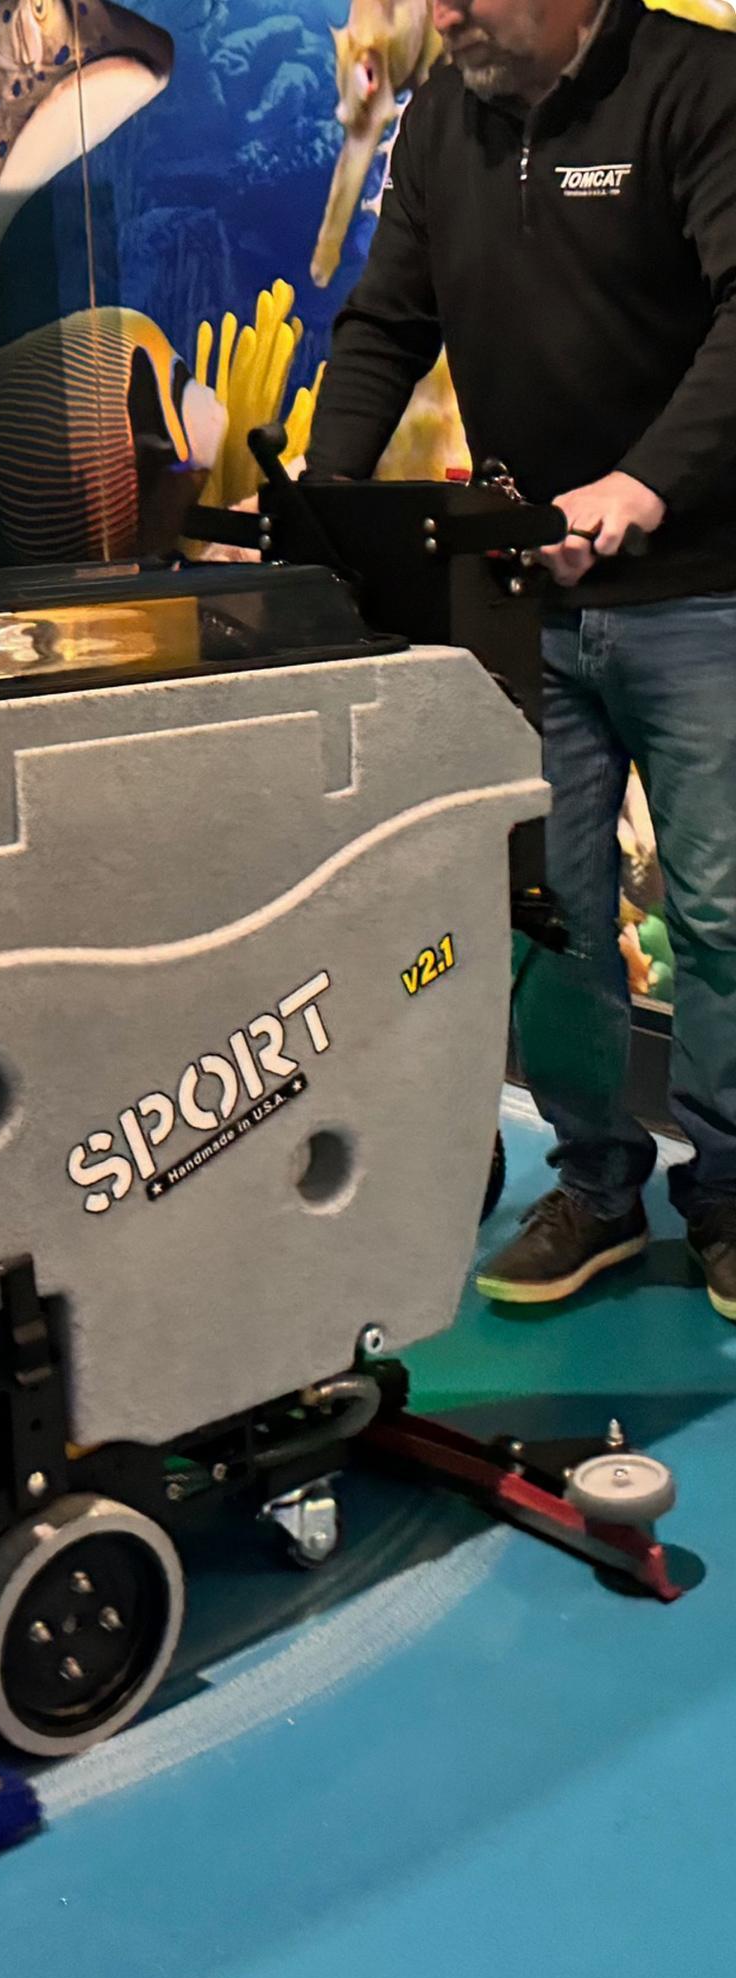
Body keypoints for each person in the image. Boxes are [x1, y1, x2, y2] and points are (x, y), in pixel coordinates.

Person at [300, 0, 736, 1314]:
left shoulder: (697, 87)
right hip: (521, 606)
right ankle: (596, 1192)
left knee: (720, 918)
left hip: (704, 594)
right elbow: (387, 324)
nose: (443, 14)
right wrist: (318, 507)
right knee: (550, 925)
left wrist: (646, 485)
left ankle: (726, 1197)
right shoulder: (443, 121)